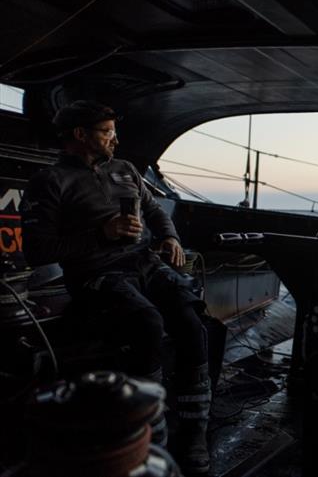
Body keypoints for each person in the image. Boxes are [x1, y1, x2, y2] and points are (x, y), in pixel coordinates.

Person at [21, 100, 210, 474]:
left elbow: (154, 210)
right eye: (106, 132)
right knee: (148, 323)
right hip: (97, 273)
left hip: (144, 263)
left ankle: (195, 435)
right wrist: (100, 234)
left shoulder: (125, 170)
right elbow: (37, 251)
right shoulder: (50, 182)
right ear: (80, 135)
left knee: (191, 323)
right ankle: (151, 436)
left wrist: (169, 237)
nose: (114, 139)